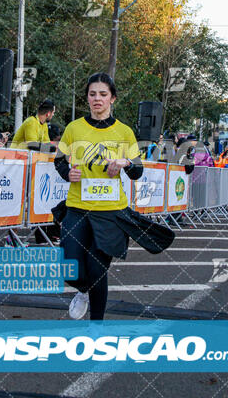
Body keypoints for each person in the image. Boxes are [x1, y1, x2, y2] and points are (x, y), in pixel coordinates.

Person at [52, 72, 174, 320]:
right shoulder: (74, 128)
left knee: (98, 271)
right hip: (77, 208)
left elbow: (137, 171)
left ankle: (96, 328)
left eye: (103, 94)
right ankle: (83, 291)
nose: (97, 99)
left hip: (110, 212)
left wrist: (125, 162)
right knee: (70, 268)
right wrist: (68, 173)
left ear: (112, 99)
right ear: (87, 98)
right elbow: (58, 160)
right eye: (92, 94)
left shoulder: (124, 132)